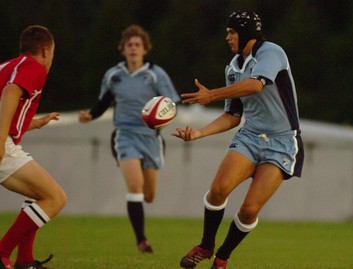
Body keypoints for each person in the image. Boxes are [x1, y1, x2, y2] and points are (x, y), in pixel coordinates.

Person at [173, 11, 304, 269]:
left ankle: (222, 256)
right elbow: (233, 116)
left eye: (232, 32)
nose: (228, 37)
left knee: (249, 210)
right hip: (249, 137)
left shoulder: (271, 52)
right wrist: (199, 133)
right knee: (219, 189)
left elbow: (255, 85)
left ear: (245, 33)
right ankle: (206, 245)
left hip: (282, 143)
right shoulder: (232, 67)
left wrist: (211, 95)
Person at [79, 24, 180, 253]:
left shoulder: (156, 74)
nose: (133, 49)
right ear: (122, 50)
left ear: (145, 49)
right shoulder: (114, 75)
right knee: (134, 185)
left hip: (151, 138)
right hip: (124, 135)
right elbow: (104, 101)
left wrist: (164, 118)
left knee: (149, 196)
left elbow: (170, 104)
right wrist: (90, 115)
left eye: (137, 45)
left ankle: (141, 228)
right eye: (129, 45)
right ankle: (141, 240)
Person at [0, 25, 67, 269]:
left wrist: (35, 123)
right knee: (55, 197)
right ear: (46, 50)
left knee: (37, 195)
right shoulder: (33, 66)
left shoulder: (7, 66)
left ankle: (25, 261)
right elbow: (9, 93)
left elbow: (5, 105)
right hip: (1, 142)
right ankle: (2, 252)